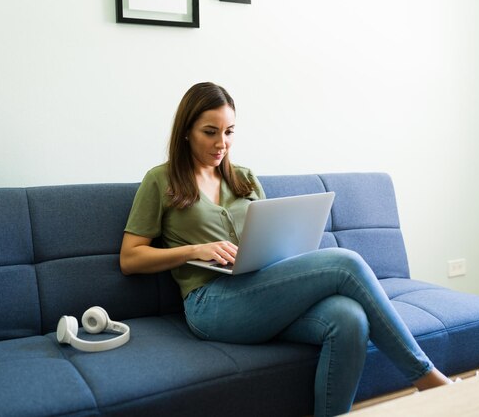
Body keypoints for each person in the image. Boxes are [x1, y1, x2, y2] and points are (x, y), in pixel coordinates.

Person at [120, 82, 452, 417]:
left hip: (263, 290)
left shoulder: (245, 178)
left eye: (229, 132)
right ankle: (426, 377)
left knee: (349, 318)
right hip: (211, 303)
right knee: (345, 263)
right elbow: (130, 258)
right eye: (210, 132)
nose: (222, 143)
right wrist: (194, 251)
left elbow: (270, 240)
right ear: (187, 132)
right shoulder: (161, 181)